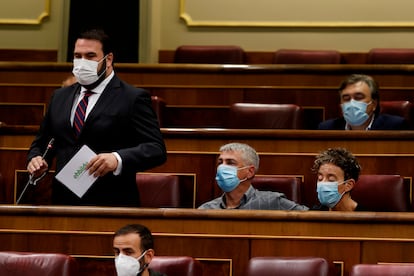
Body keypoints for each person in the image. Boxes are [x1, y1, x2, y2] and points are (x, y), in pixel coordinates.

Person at [26, 29, 167, 206]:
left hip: (111, 202)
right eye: (77, 56)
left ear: (108, 59)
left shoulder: (133, 98)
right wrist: (36, 158)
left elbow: (156, 149)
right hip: (63, 202)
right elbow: (41, 142)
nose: (82, 62)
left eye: (90, 56)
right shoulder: (60, 96)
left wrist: (117, 159)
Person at [198, 142, 309, 210]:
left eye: (230, 163)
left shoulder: (272, 202)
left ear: (250, 171)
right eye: (220, 162)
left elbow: (311, 218)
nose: (222, 167)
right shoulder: (206, 209)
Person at [318, 74, 410, 130]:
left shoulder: (395, 126)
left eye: (358, 97)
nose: (352, 103)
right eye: (346, 98)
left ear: (374, 104)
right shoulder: (327, 128)